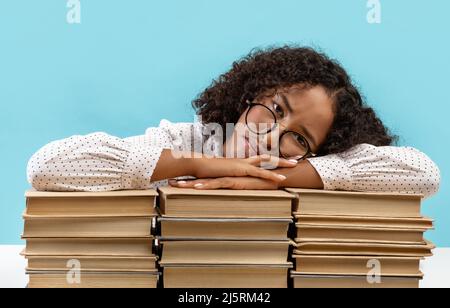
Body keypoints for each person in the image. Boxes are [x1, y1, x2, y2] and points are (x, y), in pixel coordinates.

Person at [27, 46, 440, 198]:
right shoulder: (187, 138)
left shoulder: (305, 169)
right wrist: (200, 164)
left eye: (298, 138)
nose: (270, 135)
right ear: (248, 96)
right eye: (274, 109)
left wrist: (278, 178)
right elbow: (46, 166)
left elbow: (424, 174)